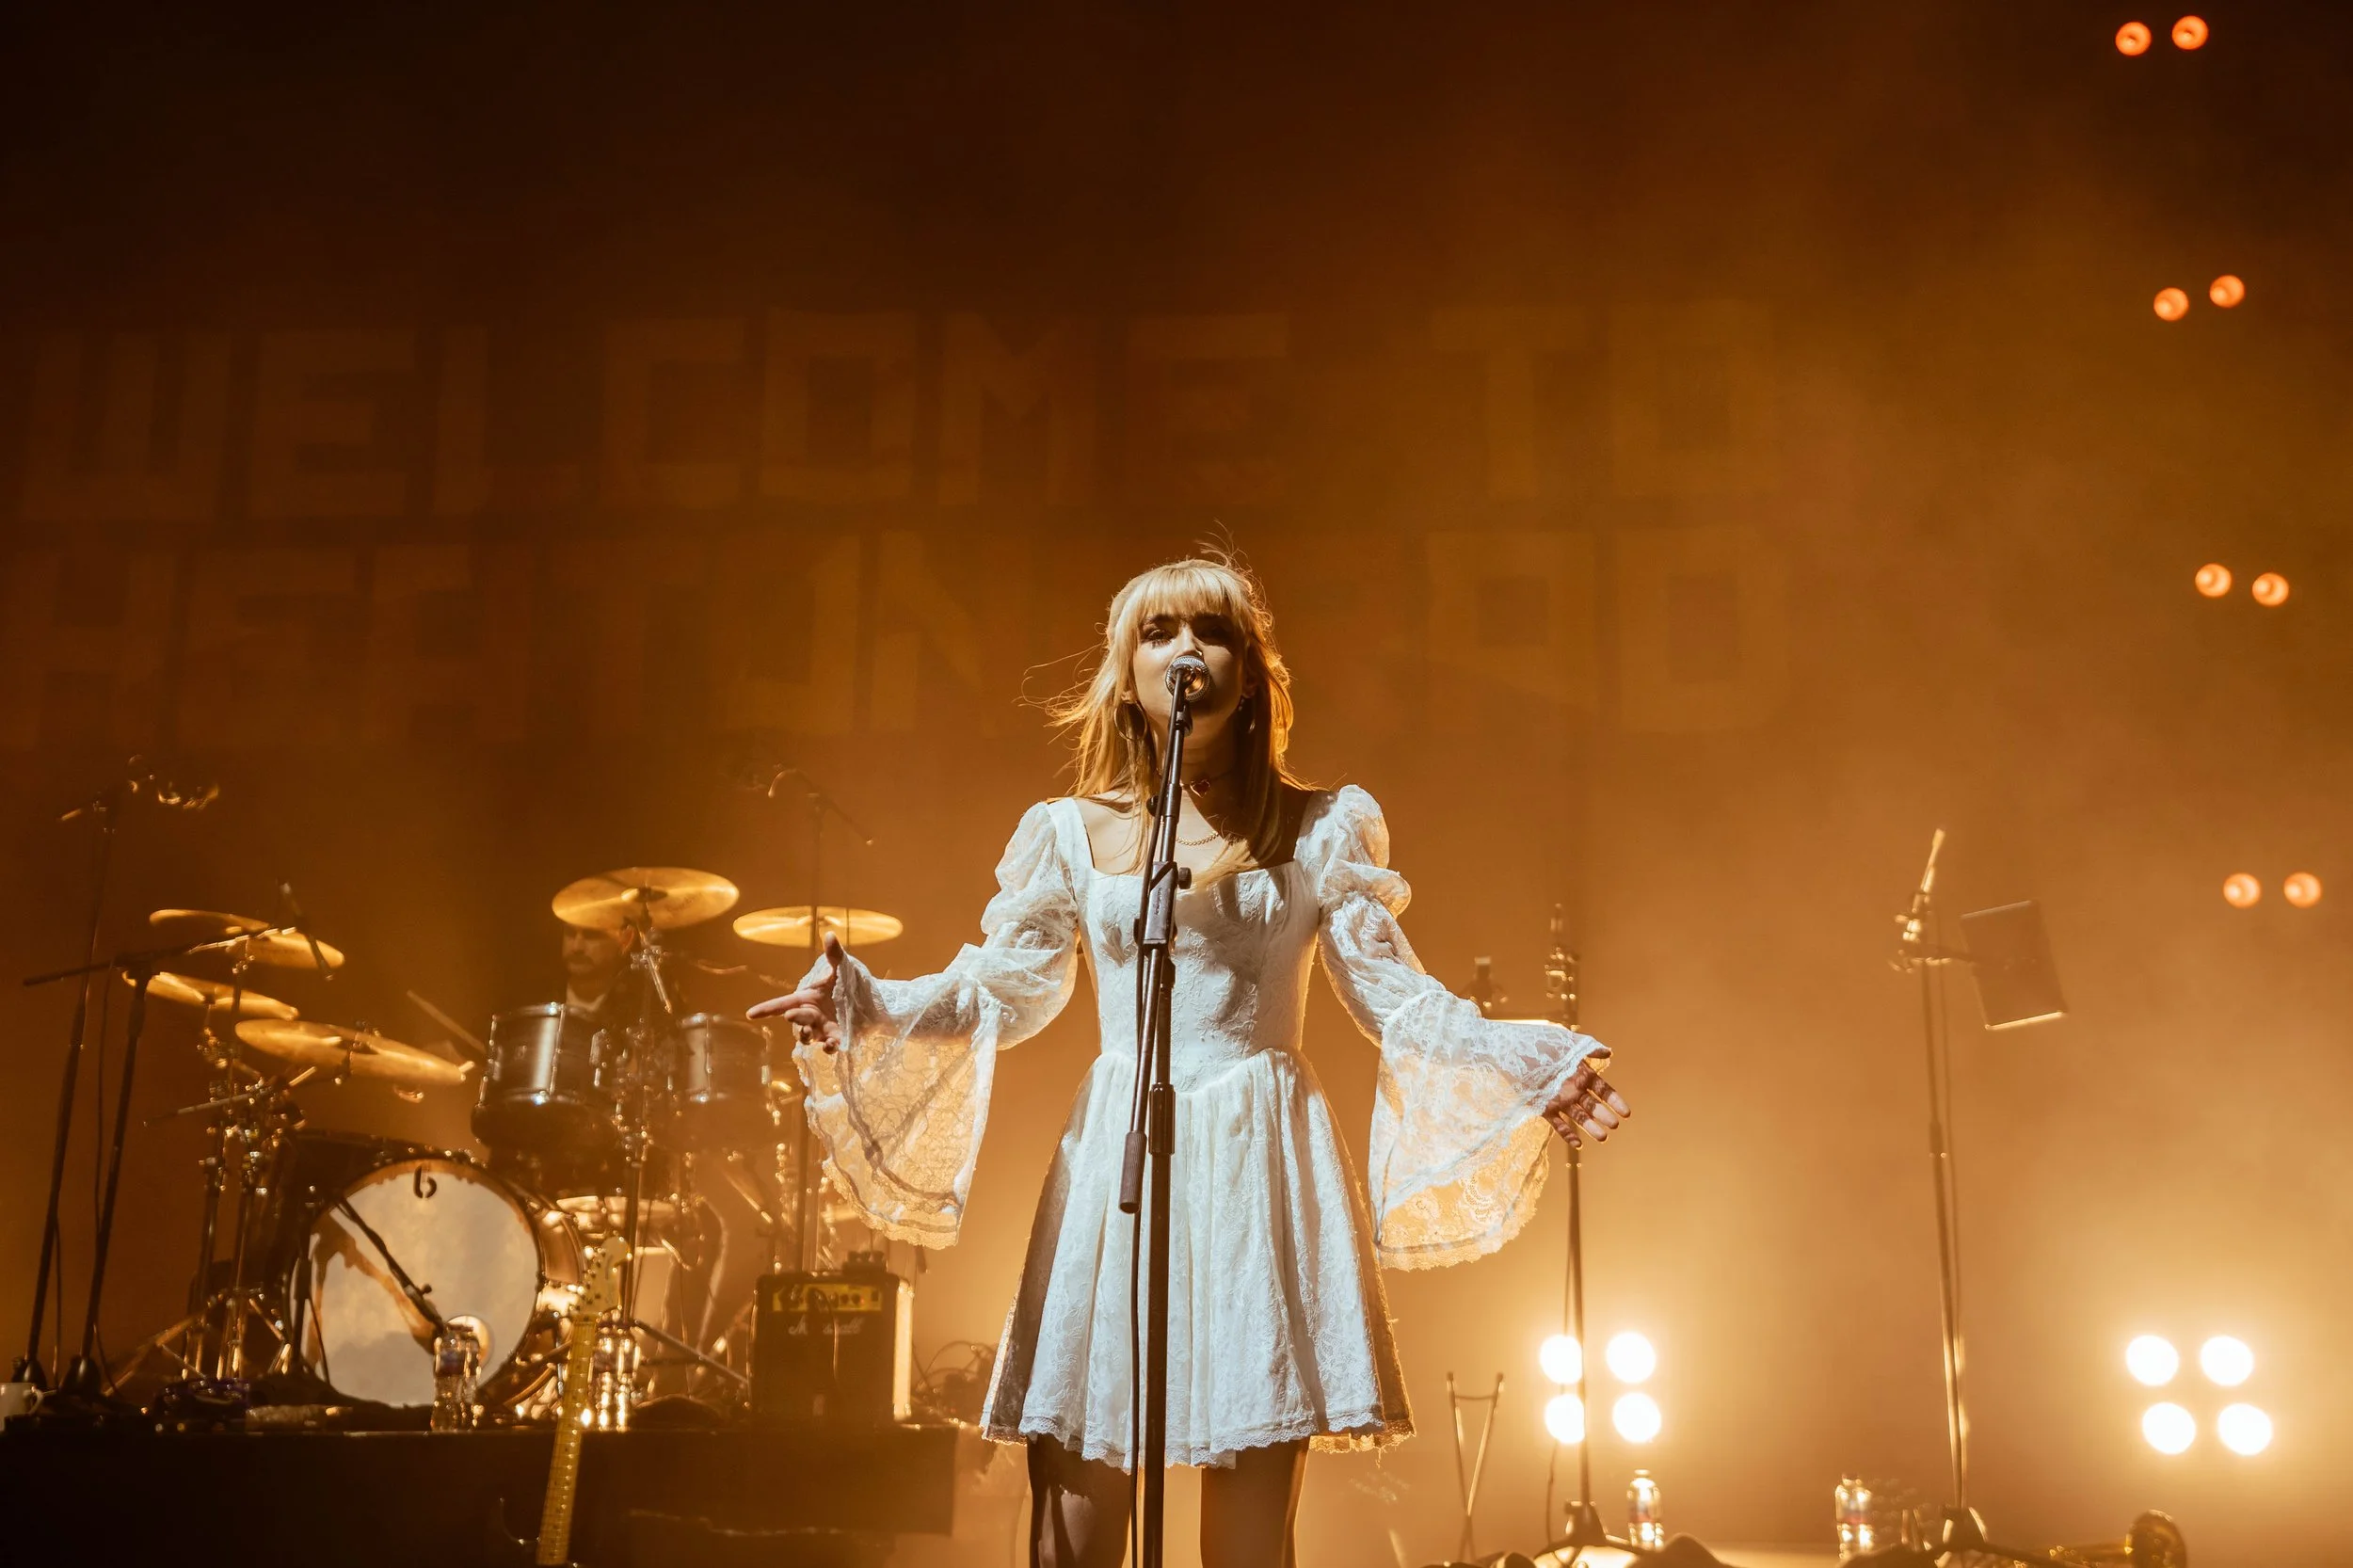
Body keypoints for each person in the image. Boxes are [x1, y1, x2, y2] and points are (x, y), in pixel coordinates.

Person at [751, 553, 1629, 1568]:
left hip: (1260, 1159)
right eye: (1156, 634)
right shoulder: (1068, 835)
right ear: (1124, 674)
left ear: (1250, 673)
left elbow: (1396, 1000)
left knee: (1248, 1541)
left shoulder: (1317, 826)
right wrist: (864, 1000)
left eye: (1209, 633)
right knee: (1072, 1532)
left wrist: (1530, 1062)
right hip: (1119, 1158)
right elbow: (1006, 985)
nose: (1183, 653)